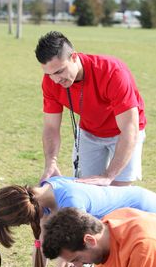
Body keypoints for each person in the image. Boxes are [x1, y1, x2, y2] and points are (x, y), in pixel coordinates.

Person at [0, 176, 156, 267]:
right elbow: (41, 246)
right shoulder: (42, 194)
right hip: (122, 221)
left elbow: (63, 266)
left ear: (29, 214)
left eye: (23, 223)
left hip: (142, 212)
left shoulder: (71, 204)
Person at [34, 31, 146, 186]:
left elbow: (129, 127)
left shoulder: (111, 71)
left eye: (59, 71)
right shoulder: (50, 81)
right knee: (85, 188)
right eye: (49, 73)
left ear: (73, 57)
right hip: (89, 132)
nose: (56, 79)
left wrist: (108, 176)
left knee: (118, 191)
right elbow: (51, 127)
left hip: (124, 133)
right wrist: (51, 163)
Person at [43, 207, 156, 267]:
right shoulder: (103, 235)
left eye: (77, 259)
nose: (77, 266)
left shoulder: (142, 248)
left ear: (89, 240)